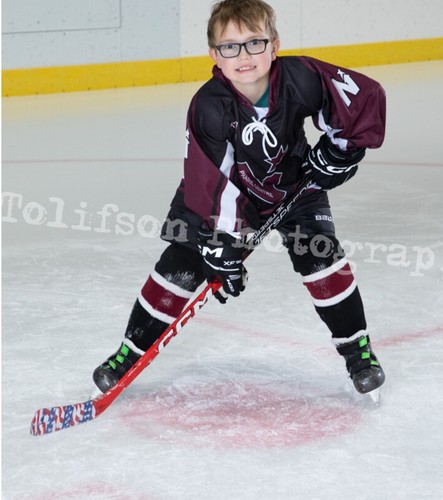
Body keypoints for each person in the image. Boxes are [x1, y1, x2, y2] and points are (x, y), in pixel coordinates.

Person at [93, 0, 386, 397]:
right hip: (220, 196)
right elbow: (210, 182)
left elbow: (362, 99)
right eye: (230, 47)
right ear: (214, 55)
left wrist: (340, 152)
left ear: (274, 46)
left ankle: (358, 352)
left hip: (295, 186)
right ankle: (129, 353)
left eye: (254, 43)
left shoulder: (301, 77)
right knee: (180, 265)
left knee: (321, 255)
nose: (244, 56)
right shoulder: (209, 106)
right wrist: (221, 246)